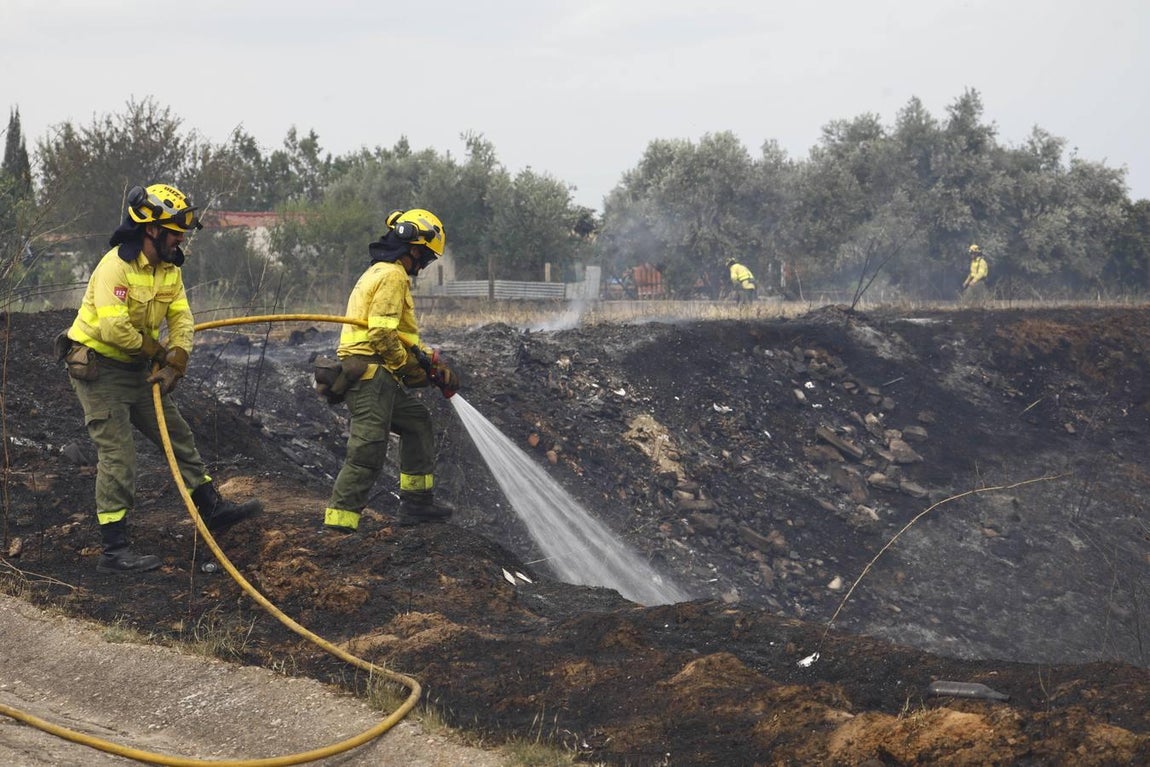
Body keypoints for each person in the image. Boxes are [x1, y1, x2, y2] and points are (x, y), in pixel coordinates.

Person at [61, 183, 263, 574]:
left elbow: (181, 317)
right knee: (119, 456)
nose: (181, 239)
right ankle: (114, 551)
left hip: (137, 368)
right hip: (100, 371)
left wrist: (178, 359)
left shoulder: (169, 270)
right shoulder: (115, 267)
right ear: (151, 229)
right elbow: (114, 329)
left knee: (177, 434)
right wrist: (157, 352)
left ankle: (211, 508)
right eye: (175, 231)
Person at [322, 208, 461, 533]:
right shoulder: (392, 276)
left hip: (380, 373)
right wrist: (409, 368)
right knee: (368, 448)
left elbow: (402, 336)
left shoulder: (382, 272)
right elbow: (382, 335)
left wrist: (431, 362)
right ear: (413, 247)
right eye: (426, 257)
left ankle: (417, 504)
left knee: (416, 421)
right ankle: (339, 525)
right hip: (371, 374)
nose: (423, 266)